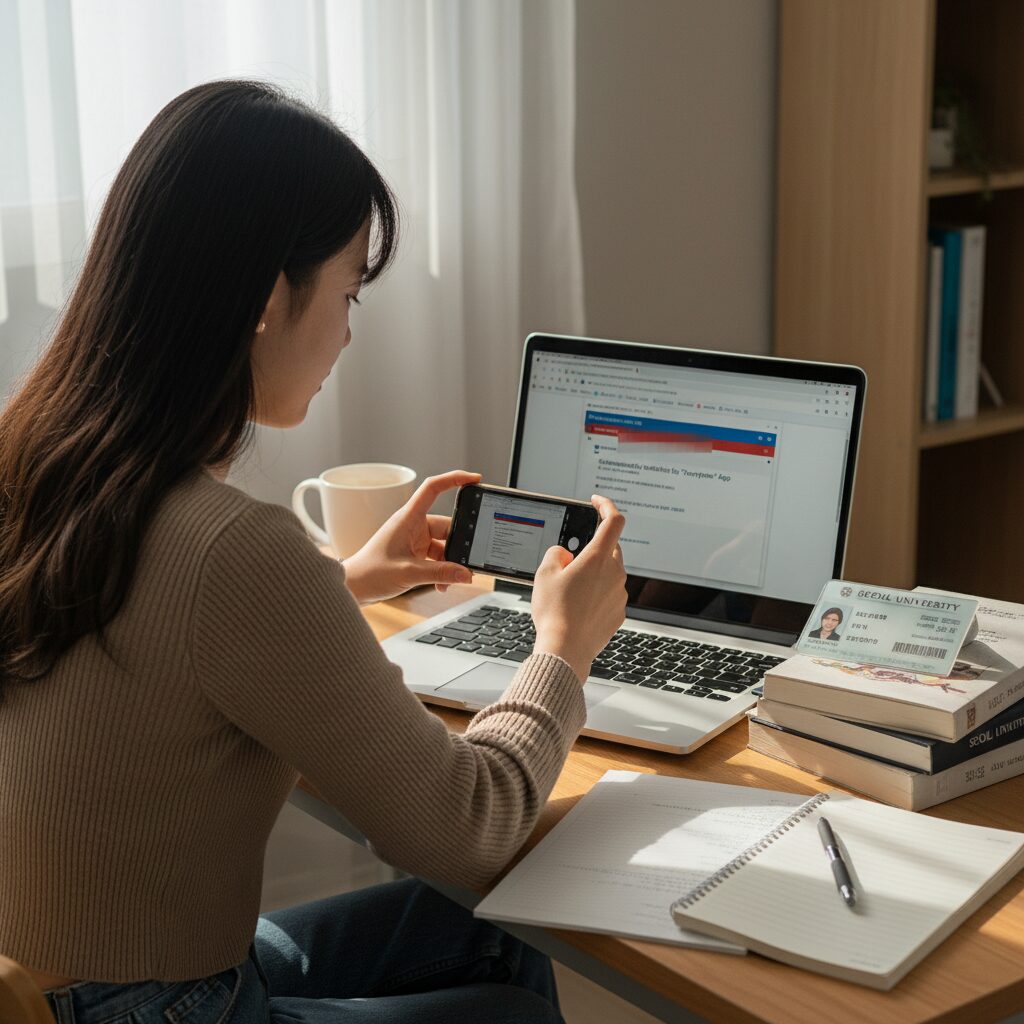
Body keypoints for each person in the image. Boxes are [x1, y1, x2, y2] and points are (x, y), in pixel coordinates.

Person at [0, 81, 628, 1024]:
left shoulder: (40, 460)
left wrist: (348, 580)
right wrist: (563, 648)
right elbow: (468, 828)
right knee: (515, 1002)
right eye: (346, 291)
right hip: (159, 1006)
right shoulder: (236, 553)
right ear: (266, 298)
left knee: (494, 933)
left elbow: (146, 643)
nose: (344, 330)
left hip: (49, 983)